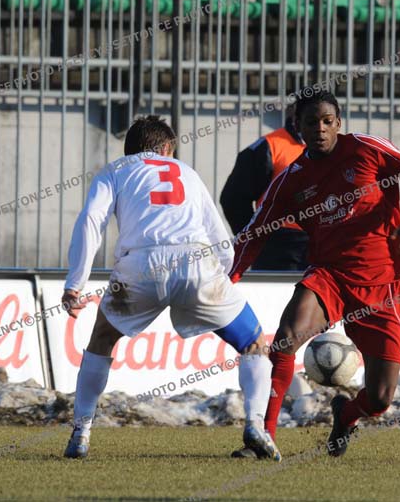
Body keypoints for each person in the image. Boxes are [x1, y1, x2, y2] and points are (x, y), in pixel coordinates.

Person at [229, 89, 400, 458]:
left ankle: (347, 414)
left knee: (380, 398)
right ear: (298, 126)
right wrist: (228, 279)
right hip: (329, 276)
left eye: (327, 121)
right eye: (311, 122)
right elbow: (255, 230)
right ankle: (262, 438)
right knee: (286, 340)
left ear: (338, 123)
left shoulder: (366, 149)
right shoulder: (291, 179)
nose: (320, 129)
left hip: (380, 283)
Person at [60, 115, 280, 461]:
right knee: (254, 344)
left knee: (101, 341)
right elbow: (218, 233)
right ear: (166, 148)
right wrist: (223, 276)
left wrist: (75, 284)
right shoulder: (187, 172)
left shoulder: (114, 170)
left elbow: (91, 220)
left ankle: (81, 432)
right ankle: (255, 425)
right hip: (196, 262)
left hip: (140, 267)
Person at [220, 105, 308, 270]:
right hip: (279, 247)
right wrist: (254, 239)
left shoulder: (337, 148)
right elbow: (233, 199)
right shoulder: (269, 146)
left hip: (324, 244)